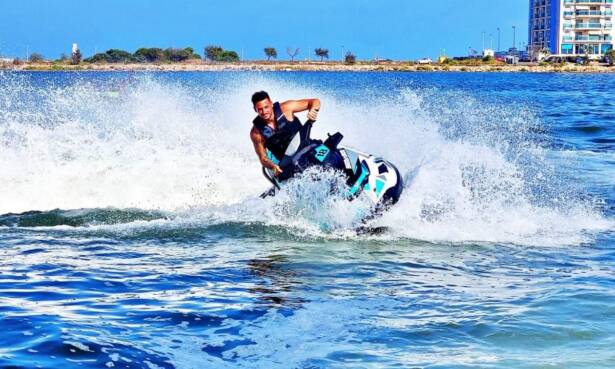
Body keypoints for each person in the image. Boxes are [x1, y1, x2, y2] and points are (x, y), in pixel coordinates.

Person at [250, 91, 320, 176]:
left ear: (271, 103)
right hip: (290, 164)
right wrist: (272, 166)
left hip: (309, 148)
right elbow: (263, 158)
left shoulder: (286, 108)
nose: (264, 112)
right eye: (260, 109)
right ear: (255, 109)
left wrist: (313, 109)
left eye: (266, 107)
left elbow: (314, 101)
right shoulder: (256, 133)